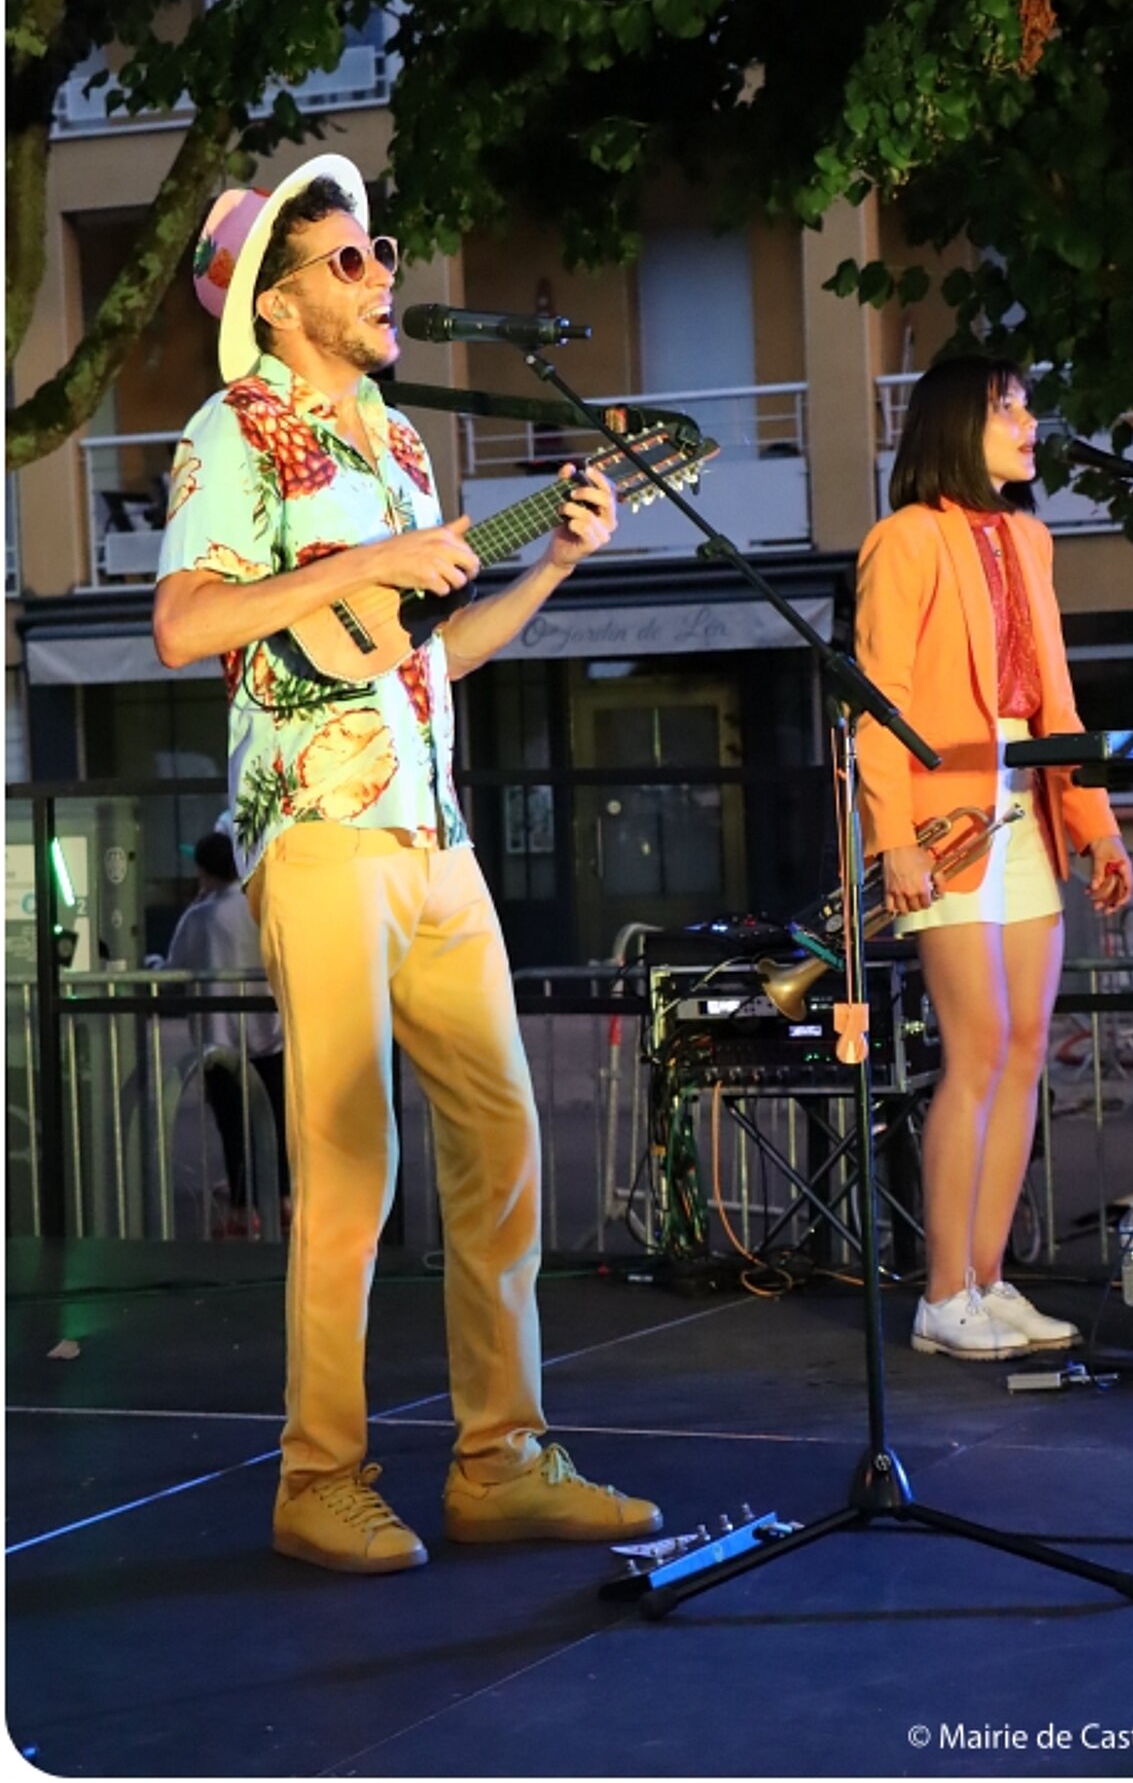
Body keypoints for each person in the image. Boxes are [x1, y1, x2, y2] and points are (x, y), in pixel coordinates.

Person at [154, 153, 661, 1572]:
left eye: (382, 253)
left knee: (503, 1141)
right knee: (350, 1161)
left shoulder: (399, 441)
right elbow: (187, 623)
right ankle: (319, 1477)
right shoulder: (233, 428)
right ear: (281, 299)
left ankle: (500, 1459)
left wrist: (544, 568)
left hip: (436, 833)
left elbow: (425, 652)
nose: (387, 276)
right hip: (317, 831)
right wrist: (359, 568)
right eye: (354, 260)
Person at [855, 355, 1133, 1361]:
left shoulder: (1027, 537)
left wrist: (1095, 823)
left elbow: (1056, 702)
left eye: (1025, 405)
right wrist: (889, 839)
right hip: (943, 824)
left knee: (1021, 1054)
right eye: (1005, 407)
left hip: (1025, 808)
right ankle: (941, 1295)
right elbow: (877, 702)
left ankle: (985, 1276)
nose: (1027, 422)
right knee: (973, 1053)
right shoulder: (905, 538)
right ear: (952, 424)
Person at [167, 828, 290, 1237]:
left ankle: (243, 1206)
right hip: (269, 1032)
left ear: (203, 870)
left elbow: (174, 967)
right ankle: (286, 1197)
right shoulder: (262, 907)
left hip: (218, 1039)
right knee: (275, 1117)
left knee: (233, 1124)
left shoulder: (200, 916)